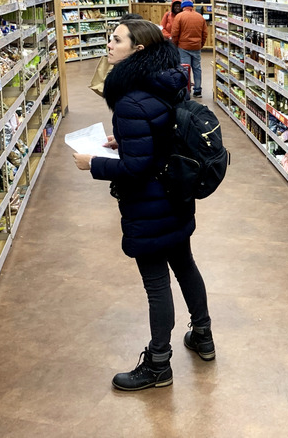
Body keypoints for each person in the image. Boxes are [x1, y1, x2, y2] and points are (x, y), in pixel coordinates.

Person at [73, 19, 215, 392]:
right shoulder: (166, 82)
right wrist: (126, 142)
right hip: (176, 194)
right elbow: (161, 137)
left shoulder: (130, 100)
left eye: (117, 40)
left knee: (156, 285)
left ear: (137, 50)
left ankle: (158, 365)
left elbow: (137, 169)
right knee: (185, 266)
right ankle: (203, 335)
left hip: (149, 204)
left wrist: (94, 163)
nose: (109, 44)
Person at [170, 0, 207, 98]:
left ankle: (186, 91)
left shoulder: (179, 16)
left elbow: (174, 33)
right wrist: (200, 44)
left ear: (183, 7)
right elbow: (205, 34)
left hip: (183, 47)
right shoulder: (200, 17)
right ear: (192, 6)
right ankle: (198, 90)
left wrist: (175, 44)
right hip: (196, 47)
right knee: (197, 68)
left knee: (185, 69)